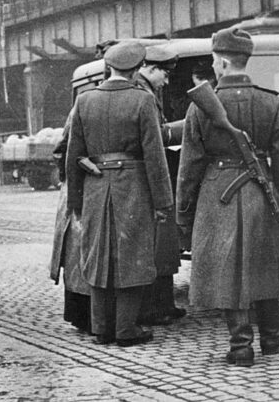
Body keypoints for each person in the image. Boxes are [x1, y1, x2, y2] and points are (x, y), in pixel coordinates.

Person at [176, 27, 279, 367]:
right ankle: (272, 336)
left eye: (215, 61)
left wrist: (183, 214)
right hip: (261, 191)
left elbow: (189, 168)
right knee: (264, 260)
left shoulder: (199, 108)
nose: (213, 67)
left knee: (230, 268)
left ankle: (241, 345)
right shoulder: (271, 102)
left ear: (223, 63)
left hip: (219, 194)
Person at [66, 40, 173, 346]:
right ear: (137, 68)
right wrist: (163, 200)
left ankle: (101, 329)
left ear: (108, 67)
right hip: (133, 187)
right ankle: (126, 329)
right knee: (133, 254)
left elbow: (74, 154)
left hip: (95, 188)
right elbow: (155, 156)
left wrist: (76, 200)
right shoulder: (143, 101)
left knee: (98, 254)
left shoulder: (85, 101)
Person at [135, 45, 186, 326]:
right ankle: (156, 308)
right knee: (156, 245)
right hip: (151, 179)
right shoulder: (143, 94)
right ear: (150, 69)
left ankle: (164, 304)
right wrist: (185, 126)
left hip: (153, 175)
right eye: (164, 75)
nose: (166, 81)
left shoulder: (148, 91)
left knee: (162, 245)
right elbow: (155, 137)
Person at [50, 111, 91, 334]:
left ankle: (81, 315)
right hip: (79, 187)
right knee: (79, 253)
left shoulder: (80, 107)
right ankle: (82, 315)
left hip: (77, 185)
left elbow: (59, 151)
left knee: (79, 254)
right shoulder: (80, 110)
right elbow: (61, 151)